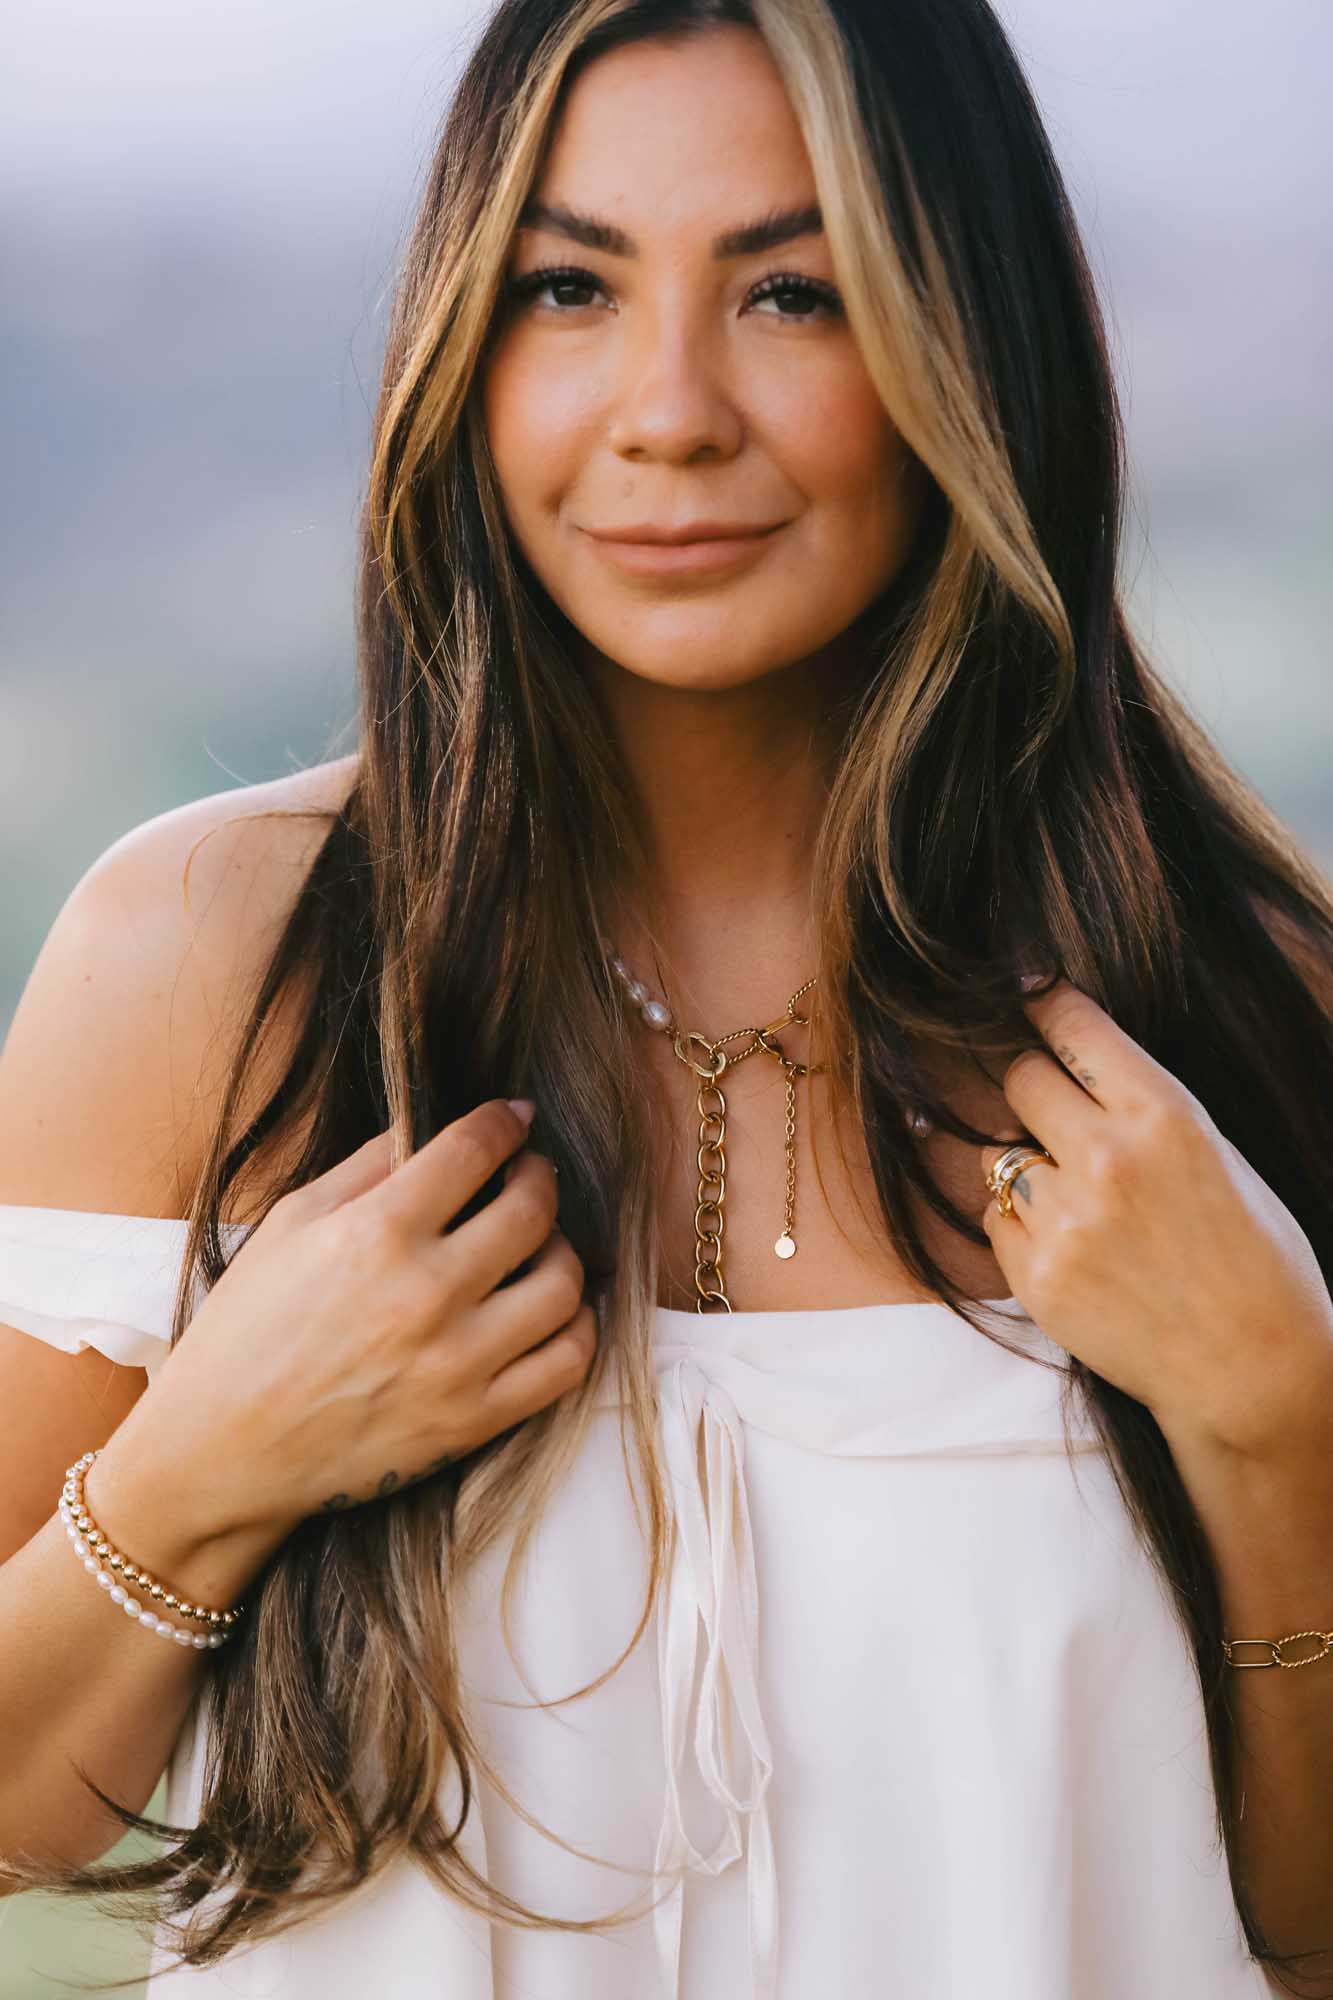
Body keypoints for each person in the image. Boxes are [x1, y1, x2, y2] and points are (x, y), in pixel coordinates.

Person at [0, 0, 1330, 1994]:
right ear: (461, 341)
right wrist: (206, 1470)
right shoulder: (214, 962)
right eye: (567, 287)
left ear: (965, 342)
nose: (669, 409)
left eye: (791, 293)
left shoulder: (1238, 1004)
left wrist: (1275, 1421)